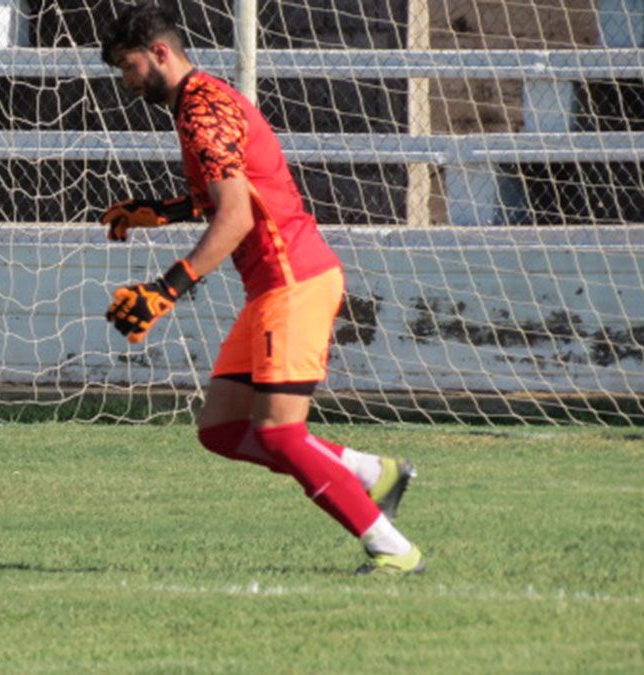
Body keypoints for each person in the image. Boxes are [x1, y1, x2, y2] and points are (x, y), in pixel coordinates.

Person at [98, 3, 423, 575]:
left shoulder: (202, 113)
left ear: (160, 53)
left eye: (127, 68)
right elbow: (237, 192)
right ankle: (374, 474)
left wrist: (165, 289)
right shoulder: (199, 102)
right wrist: (159, 211)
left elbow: (237, 219)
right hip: (273, 287)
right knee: (222, 428)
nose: (126, 84)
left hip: (292, 281)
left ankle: (391, 547)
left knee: (278, 433)